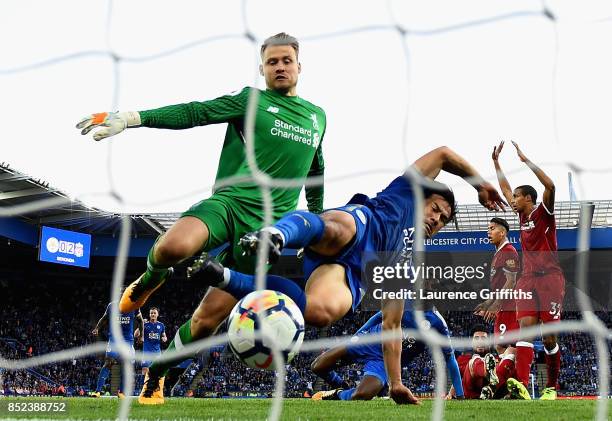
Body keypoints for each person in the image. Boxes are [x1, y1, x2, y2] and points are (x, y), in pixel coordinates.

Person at [76, 32, 326, 404]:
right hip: (230, 204)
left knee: (206, 322)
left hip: (265, 235)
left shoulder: (316, 116)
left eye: (286, 61)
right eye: (272, 62)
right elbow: (197, 111)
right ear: (262, 68)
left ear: (299, 66)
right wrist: (132, 118)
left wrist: (318, 226)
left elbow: (316, 172)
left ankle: (157, 376)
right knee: (174, 246)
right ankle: (149, 280)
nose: (279, 67)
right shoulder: (251, 100)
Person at [191, 145, 506, 404]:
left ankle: (226, 278)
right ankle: (277, 236)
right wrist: (479, 183)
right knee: (336, 227)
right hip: (363, 225)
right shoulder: (407, 193)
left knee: (320, 312)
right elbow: (443, 154)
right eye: (436, 208)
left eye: (443, 219)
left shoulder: (403, 267)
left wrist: (396, 383)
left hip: (350, 274)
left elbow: (391, 326)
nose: (437, 218)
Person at [492, 141, 564, 400]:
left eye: (516, 197)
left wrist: (526, 161)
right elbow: (504, 188)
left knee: (548, 338)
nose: (512, 200)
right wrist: (497, 164)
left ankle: (551, 388)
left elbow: (551, 186)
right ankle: (521, 384)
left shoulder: (545, 213)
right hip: (527, 279)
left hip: (551, 280)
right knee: (524, 329)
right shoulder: (522, 219)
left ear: (528, 199)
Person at [310, 308, 464, 401]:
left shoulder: (437, 322)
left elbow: (450, 359)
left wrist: (460, 395)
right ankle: (340, 386)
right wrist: (358, 334)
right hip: (367, 341)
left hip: (384, 361)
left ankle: (339, 394)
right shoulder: (404, 299)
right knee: (318, 366)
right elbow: (379, 315)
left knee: (363, 394)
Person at [474, 217, 520, 354]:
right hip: (503, 307)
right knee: (500, 347)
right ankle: (508, 375)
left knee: (510, 347)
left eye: (492, 229)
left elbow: (511, 281)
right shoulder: (498, 253)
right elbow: (498, 286)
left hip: (510, 308)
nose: (488, 232)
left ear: (503, 232)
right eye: (488, 229)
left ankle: (518, 375)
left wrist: (496, 305)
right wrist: (488, 303)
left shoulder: (509, 251)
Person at [449, 325, 516, 400]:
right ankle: (486, 371)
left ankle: (491, 388)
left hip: (494, 394)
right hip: (471, 395)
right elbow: (457, 380)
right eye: (476, 338)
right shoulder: (463, 359)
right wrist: (450, 394)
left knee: (511, 351)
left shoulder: (498, 360)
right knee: (474, 360)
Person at [90, 301, 143, 398]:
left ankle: (121, 392)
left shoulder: (134, 306)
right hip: (114, 339)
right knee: (108, 362)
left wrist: (141, 336)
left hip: (127, 341)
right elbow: (104, 318)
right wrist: (97, 328)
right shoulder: (111, 305)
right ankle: (97, 391)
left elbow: (141, 320)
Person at [134, 307, 167, 375]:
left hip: (157, 354)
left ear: (157, 314)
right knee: (145, 374)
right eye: (151, 313)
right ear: (149, 314)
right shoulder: (145, 325)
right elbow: (135, 335)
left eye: (154, 313)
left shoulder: (161, 325)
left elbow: (164, 336)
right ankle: (144, 386)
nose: (153, 314)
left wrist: (164, 338)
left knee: (157, 375)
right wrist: (141, 323)